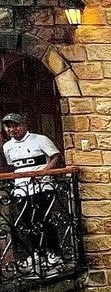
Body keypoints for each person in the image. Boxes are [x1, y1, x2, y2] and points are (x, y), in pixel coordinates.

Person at [1, 112, 63, 274]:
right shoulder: (7, 146)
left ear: (24, 126)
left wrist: (44, 172)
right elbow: (13, 166)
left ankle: (54, 253)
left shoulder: (40, 139)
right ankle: (37, 253)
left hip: (42, 187)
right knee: (28, 222)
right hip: (22, 189)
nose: (12, 129)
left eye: (16, 125)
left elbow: (55, 156)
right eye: (9, 126)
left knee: (44, 220)